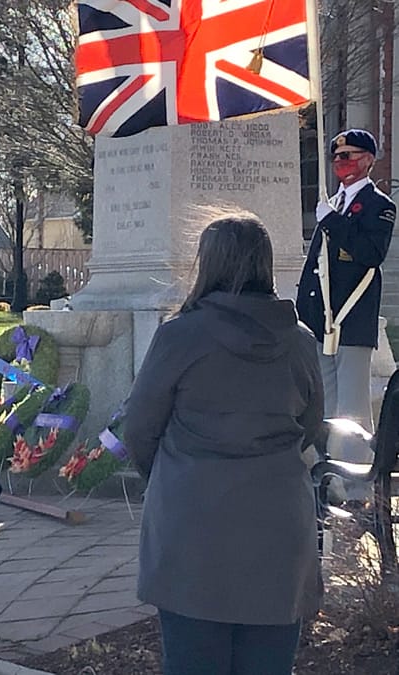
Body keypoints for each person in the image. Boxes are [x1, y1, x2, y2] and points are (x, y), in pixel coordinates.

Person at [124, 213, 324, 675]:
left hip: (192, 530)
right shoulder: (300, 342)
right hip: (279, 531)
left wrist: (174, 476)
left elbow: (139, 429)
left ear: (208, 264)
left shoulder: (179, 336)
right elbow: (311, 426)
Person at [296, 128, 396, 433]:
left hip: (350, 320)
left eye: (348, 155)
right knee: (324, 407)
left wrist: (332, 221)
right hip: (320, 321)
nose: (340, 161)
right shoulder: (332, 204)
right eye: (336, 157)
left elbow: (370, 254)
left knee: (352, 412)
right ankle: (329, 464)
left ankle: (354, 466)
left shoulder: (379, 206)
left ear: (367, 160)